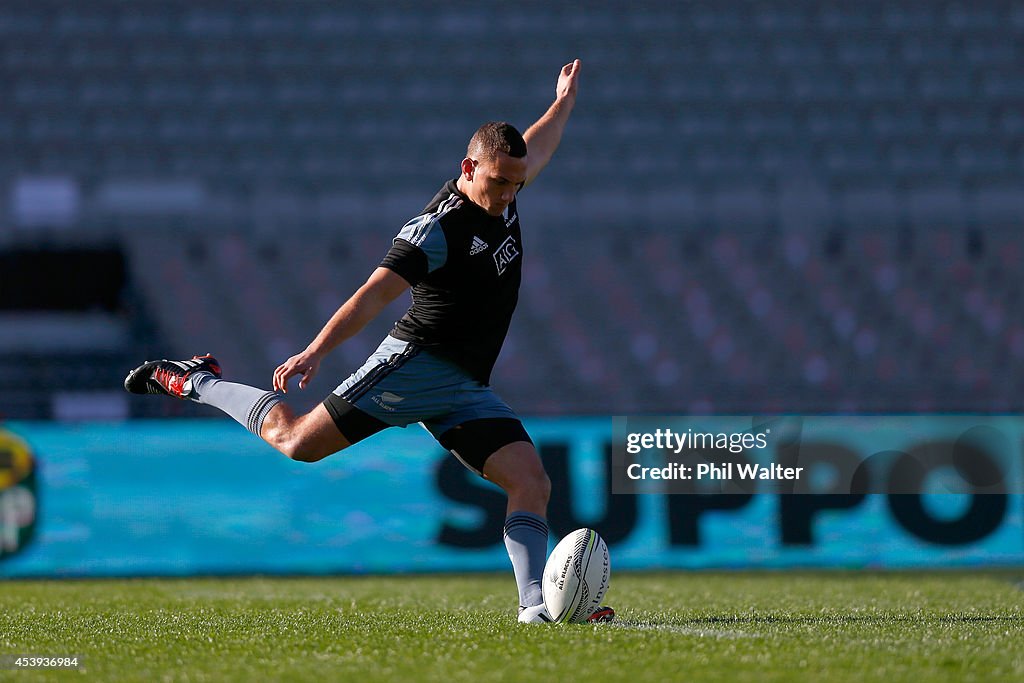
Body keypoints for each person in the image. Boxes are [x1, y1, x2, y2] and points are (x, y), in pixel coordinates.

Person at [125, 59, 612, 624]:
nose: (507, 194)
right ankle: (195, 381)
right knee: (297, 442)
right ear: (468, 167)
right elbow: (371, 296)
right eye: (498, 182)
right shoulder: (436, 230)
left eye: (516, 183)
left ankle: (534, 607)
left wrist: (564, 103)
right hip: (412, 367)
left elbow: (537, 145)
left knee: (531, 480)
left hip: (463, 386)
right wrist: (315, 352)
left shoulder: (505, 182)